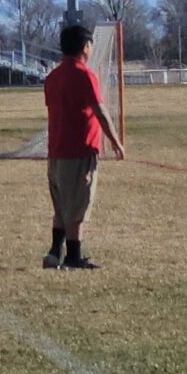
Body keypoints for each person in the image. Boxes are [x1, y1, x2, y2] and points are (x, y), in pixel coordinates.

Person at [42, 22, 126, 270]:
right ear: (85, 47)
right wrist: (116, 142)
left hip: (55, 151)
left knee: (61, 206)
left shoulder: (52, 77)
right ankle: (73, 257)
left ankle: (54, 252)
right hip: (79, 151)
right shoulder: (85, 75)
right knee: (77, 206)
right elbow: (99, 111)